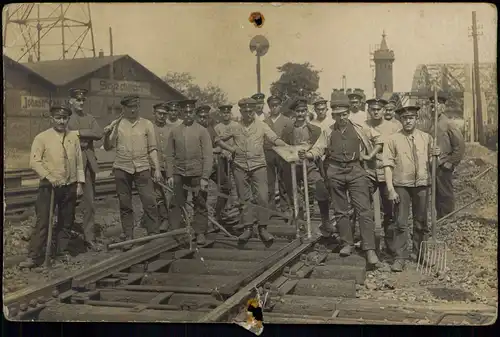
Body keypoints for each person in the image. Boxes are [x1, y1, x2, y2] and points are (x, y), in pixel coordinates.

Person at [304, 91, 381, 266]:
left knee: (364, 210)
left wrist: (369, 156)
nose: (342, 118)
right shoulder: (328, 130)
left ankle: (369, 249)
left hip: (355, 170)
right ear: (333, 115)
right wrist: (308, 154)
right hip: (335, 171)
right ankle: (347, 243)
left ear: (348, 113)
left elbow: (379, 140)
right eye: (338, 115)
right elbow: (318, 149)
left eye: (344, 114)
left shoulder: (360, 128)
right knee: (340, 210)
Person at [20, 105, 85, 268]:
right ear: (52, 119)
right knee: (43, 221)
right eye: (58, 118)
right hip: (48, 187)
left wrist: (80, 184)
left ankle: (61, 253)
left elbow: (79, 162)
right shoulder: (42, 138)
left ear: (68, 119)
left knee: (67, 220)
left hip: (69, 185)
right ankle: (34, 256)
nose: (61, 121)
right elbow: (34, 162)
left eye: (64, 118)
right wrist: (49, 177)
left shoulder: (73, 137)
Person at [219, 97, 288, 242]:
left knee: (262, 197)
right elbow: (217, 139)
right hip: (240, 166)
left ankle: (263, 228)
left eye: (251, 111)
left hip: (258, 166)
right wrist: (231, 149)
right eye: (245, 111)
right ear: (241, 112)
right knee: (244, 199)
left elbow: (274, 139)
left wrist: (288, 148)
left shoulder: (262, 125)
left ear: (254, 111)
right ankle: (248, 228)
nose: (248, 114)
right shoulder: (235, 127)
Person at [383, 102, 441, 272]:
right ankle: (400, 257)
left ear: (416, 119)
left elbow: (432, 164)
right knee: (400, 222)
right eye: (404, 118)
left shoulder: (427, 138)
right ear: (400, 120)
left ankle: (420, 253)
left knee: (421, 222)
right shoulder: (393, 139)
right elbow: (387, 165)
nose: (408, 121)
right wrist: (391, 189)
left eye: (411, 118)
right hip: (401, 185)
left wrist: (436, 155)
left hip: (422, 184)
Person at [103, 95, 162, 249]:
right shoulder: (117, 124)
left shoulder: (147, 124)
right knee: (125, 204)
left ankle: (153, 233)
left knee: (149, 201)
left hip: (142, 167)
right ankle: (128, 235)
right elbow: (108, 146)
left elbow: (153, 148)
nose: (133, 110)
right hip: (122, 168)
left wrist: (157, 169)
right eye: (130, 107)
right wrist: (108, 133)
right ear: (124, 108)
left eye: (136, 106)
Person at [165, 99, 213, 245]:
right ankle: (177, 232)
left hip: (197, 174)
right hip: (179, 173)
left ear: (194, 113)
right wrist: (169, 175)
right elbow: (169, 155)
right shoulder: (174, 131)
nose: (188, 115)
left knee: (200, 203)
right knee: (177, 203)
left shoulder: (202, 131)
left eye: (190, 112)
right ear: (181, 113)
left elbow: (208, 155)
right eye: (185, 112)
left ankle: (200, 233)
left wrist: (205, 177)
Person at [283, 97, 330, 235]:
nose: (301, 114)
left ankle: (325, 220)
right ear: (294, 113)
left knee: (320, 187)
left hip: (310, 165)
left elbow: (321, 148)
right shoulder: (287, 130)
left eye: (303, 111)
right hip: (293, 166)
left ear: (307, 112)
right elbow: (282, 147)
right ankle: (301, 223)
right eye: (298, 111)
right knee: (296, 195)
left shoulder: (315, 130)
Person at [66, 88, 104, 250]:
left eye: (83, 100)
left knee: (89, 203)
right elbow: (65, 134)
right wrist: (82, 137)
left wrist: (79, 133)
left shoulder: (89, 118)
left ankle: (89, 238)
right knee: (68, 202)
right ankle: (65, 240)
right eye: (77, 100)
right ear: (71, 101)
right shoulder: (65, 118)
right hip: (70, 164)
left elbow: (99, 133)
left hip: (87, 165)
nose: (81, 103)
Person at [365, 97, 402, 256]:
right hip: (368, 171)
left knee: (390, 209)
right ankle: (368, 243)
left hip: (388, 172)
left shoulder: (394, 127)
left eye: (378, 109)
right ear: (369, 111)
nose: (376, 112)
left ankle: (390, 244)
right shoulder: (363, 127)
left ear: (383, 110)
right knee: (363, 208)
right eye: (372, 109)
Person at [429, 91, 465, 219]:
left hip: (443, 165)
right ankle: (440, 220)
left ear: (443, 107)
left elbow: (459, 146)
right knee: (437, 194)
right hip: (434, 166)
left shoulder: (448, 124)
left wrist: (450, 162)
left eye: (437, 104)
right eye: (432, 105)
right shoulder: (434, 123)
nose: (433, 107)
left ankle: (448, 219)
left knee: (445, 194)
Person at [196, 104, 232, 222]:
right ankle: (202, 220)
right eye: (201, 117)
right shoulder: (193, 129)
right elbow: (197, 150)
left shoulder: (209, 127)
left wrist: (231, 150)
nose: (203, 119)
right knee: (202, 193)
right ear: (196, 117)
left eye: (205, 117)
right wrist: (214, 150)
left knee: (226, 187)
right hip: (200, 167)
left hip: (213, 165)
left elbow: (218, 142)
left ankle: (218, 214)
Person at [263, 95, 293, 216]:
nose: (274, 108)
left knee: (283, 181)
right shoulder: (264, 122)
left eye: (276, 105)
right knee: (269, 182)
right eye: (271, 106)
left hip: (283, 154)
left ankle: (285, 208)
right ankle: (271, 208)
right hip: (268, 153)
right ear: (269, 107)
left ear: (280, 106)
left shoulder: (288, 121)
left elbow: (290, 140)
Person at [151, 102, 174, 232]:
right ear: (154, 114)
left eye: (164, 114)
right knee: (157, 195)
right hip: (154, 167)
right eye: (159, 113)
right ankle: (164, 219)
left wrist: (171, 173)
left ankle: (174, 219)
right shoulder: (149, 128)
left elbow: (173, 151)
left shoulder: (171, 129)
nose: (162, 116)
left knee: (171, 194)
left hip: (169, 167)